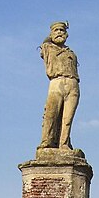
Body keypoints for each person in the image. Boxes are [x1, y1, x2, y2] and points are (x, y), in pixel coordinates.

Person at [38, 22, 80, 150]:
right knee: (51, 114)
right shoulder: (48, 48)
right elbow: (45, 42)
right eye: (56, 30)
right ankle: (47, 142)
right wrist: (57, 30)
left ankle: (64, 143)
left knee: (67, 118)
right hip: (56, 82)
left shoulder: (71, 53)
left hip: (72, 83)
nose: (60, 33)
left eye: (62, 30)